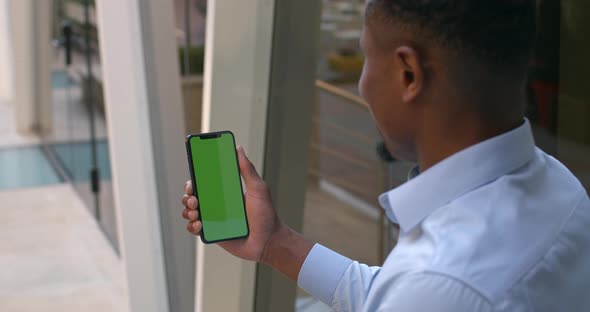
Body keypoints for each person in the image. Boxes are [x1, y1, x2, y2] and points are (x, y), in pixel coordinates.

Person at [182, 1, 590, 311]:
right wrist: (275, 242)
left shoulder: (441, 284)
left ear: (408, 74)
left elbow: (422, 290)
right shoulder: (561, 187)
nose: (361, 85)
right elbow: (392, 292)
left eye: (365, 59)